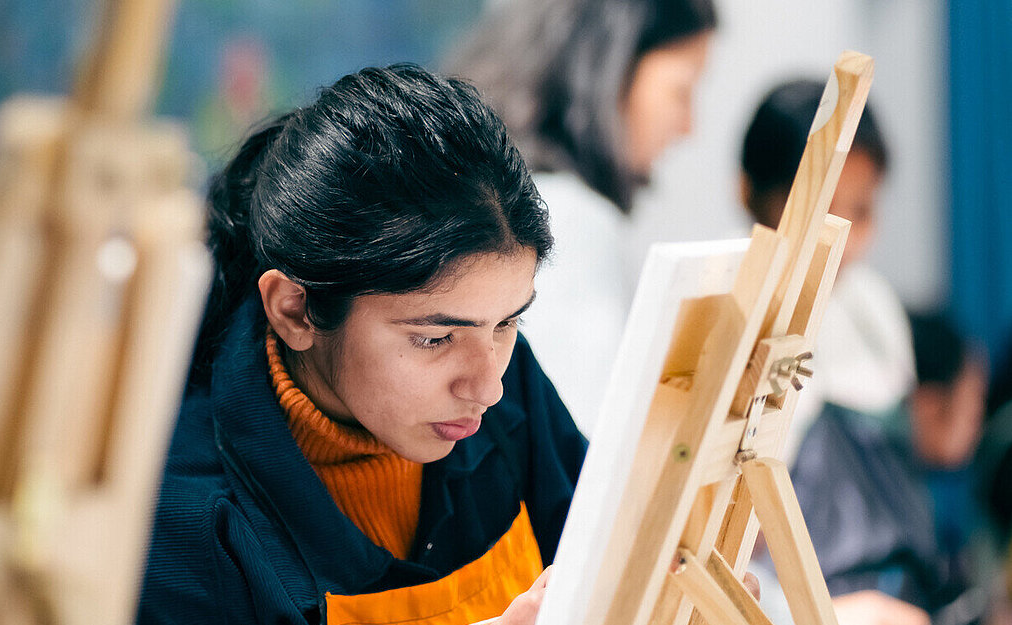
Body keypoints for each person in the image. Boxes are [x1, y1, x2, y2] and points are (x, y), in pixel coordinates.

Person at [136, 64, 588, 625]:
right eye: (434, 338)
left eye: (507, 323)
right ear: (295, 310)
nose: (487, 388)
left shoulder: (502, 376)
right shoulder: (188, 523)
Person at [448, 0, 717, 433]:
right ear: (609, 74)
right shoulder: (570, 219)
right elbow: (594, 431)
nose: (689, 125)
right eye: (680, 91)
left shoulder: (505, 199)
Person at [739, 79, 915, 464]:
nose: (844, 238)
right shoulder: (735, 302)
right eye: (824, 210)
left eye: (862, 209)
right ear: (749, 192)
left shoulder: (873, 302)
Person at [791, 312, 990, 625]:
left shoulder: (901, 470)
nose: (978, 428)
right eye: (974, 405)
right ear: (929, 403)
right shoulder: (840, 452)